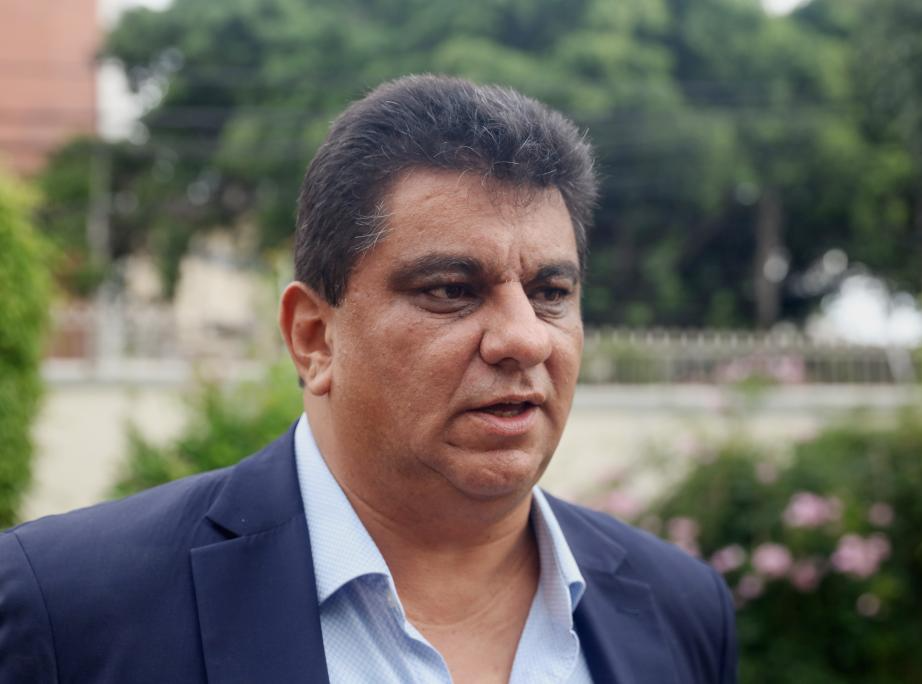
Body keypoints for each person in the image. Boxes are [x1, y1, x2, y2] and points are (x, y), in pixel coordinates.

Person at [0, 75, 737, 684]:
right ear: (314, 338)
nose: (524, 338)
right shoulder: (71, 610)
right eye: (451, 289)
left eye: (551, 292)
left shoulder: (681, 609)